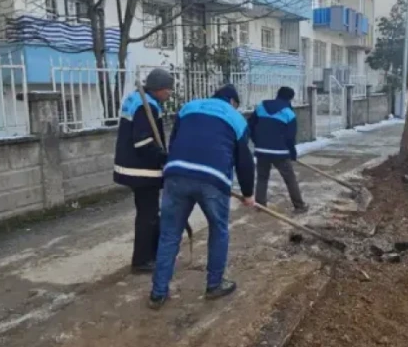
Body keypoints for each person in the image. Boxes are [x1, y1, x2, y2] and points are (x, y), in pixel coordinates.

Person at [149, 85, 255, 309]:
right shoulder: (236, 118)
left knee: (169, 235)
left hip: (176, 173)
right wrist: (248, 193)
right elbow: (244, 160)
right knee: (218, 230)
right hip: (213, 179)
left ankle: (158, 292)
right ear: (233, 102)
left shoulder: (189, 107)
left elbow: (174, 140)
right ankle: (214, 285)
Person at [113, 68, 174, 274]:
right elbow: (143, 142)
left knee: (148, 214)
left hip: (130, 166)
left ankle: (150, 254)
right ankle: (142, 261)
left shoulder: (135, 99)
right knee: (148, 216)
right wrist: (164, 158)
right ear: (158, 89)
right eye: (168, 90)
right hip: (140, 170)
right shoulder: (145, 107)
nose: (169, 94)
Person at [248, 86, 307, 213]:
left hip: (262, 150)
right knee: (290, 178)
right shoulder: (289, 113)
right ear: (290, 98)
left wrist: (257, 141)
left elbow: (250, 126)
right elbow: (290, 137)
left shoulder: (261, 107)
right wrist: (292, 153)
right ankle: (299, 206)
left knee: (262, 178)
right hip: (280, 152)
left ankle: (260, 205)